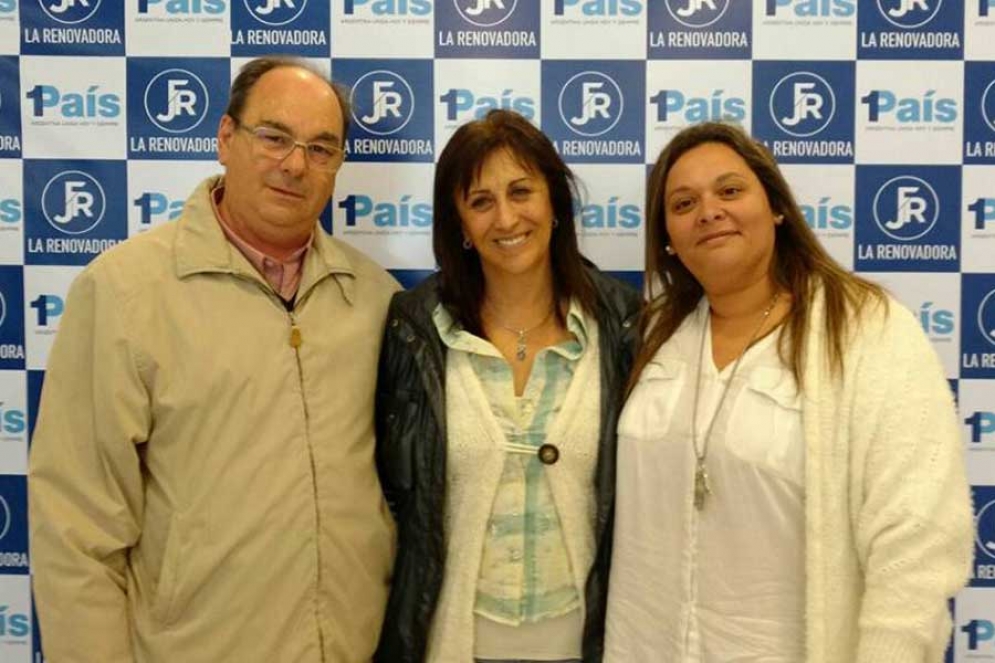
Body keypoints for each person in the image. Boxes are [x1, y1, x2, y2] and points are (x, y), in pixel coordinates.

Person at [29, 57, 399, 663]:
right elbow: (77, 534)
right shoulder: (125, 292)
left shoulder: (374, 298)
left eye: (321, 148)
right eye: (274, 137)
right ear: (225, 137)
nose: (295, 164)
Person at [603, 121, 973, 663]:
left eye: (730, 191)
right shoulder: (657, 335)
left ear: (776, 207)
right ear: (667, 239)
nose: (709, 211)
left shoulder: (867, 329)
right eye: (683, 204)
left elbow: (916, 535)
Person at [373, 109, 641, 663]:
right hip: (453, 642)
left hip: (589, 641)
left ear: (554, 204)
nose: (506, 217)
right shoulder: (414, 328)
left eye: (522, 191)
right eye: (480, 202)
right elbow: (393, 496)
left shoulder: (624, 324)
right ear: (461, 227)